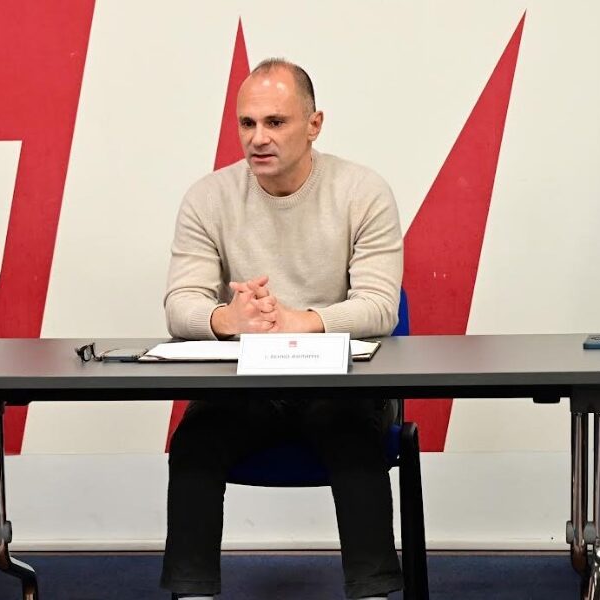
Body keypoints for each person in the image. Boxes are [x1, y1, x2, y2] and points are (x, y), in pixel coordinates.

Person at [161, 59, 404, 599]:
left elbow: (380, 307)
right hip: (248, 383)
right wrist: (226, 320)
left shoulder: (363, 190)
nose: (258, 138)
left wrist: (302, 322)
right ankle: (193, 593)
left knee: (349, 434)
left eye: (275, 122)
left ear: (314, 125)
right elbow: (180, 304)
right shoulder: (208, 197)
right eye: (247, 123)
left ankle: (373, 592)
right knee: (195, 442)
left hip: (337, 384)